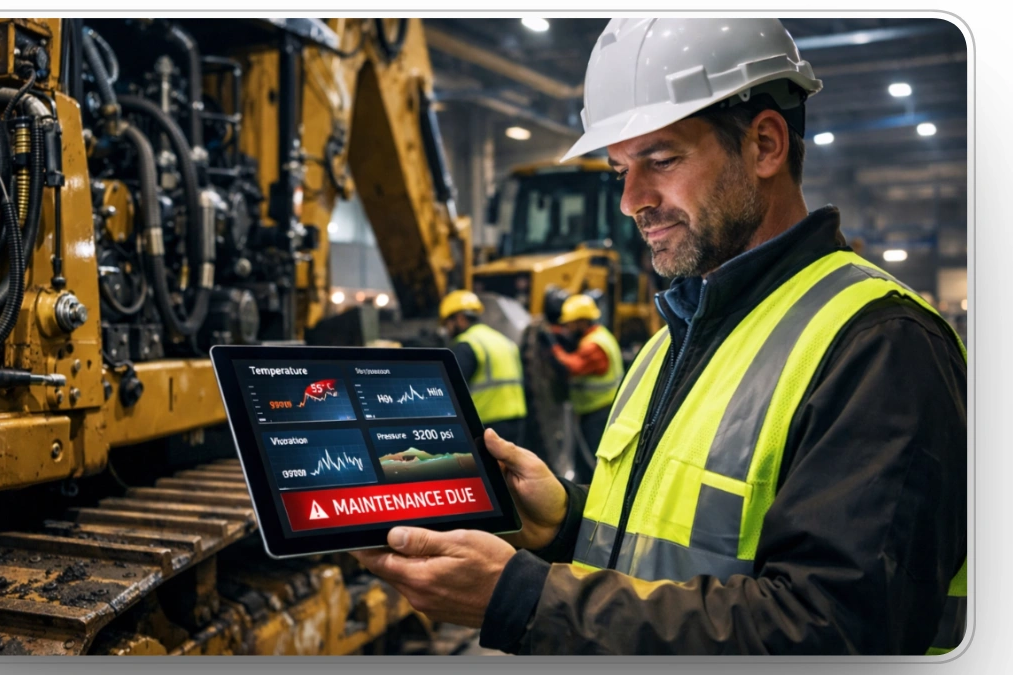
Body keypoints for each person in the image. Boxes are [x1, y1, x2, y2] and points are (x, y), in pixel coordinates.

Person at [353, 17, 966, 655]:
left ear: (764, 145)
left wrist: (522, 598)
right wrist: (564, 520)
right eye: (621, 168)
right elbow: (675, 542)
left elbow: (833, 631)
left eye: (661, 160)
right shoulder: (678, 333)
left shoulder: (882, 347)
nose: (631, 200)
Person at [548, 294, 624, 483]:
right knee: (584, 461)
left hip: (598, 413)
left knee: (593, 462)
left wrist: (553, 346)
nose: (567, 328)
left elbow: (570, 367)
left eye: (570, 324)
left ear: (582, 322)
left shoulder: (593, 346)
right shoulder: (599, 336)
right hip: (595, 411)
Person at [440, 290, 528, 445]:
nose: (447, 329)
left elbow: (451, 388)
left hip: (487, 424)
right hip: (516, 419)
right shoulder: (505, 341)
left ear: (459, 318)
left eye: (448, 322)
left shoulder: (466, 344)